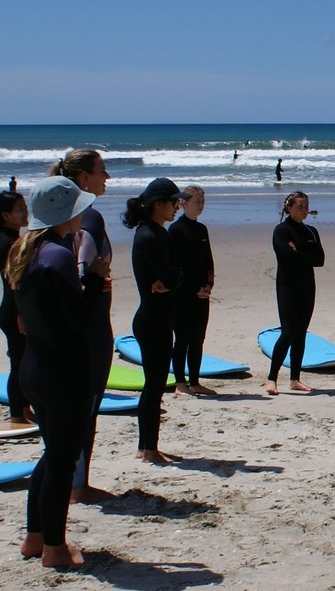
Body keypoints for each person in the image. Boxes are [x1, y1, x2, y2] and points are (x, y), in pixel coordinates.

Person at [7, 176, 98, 568]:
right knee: (62, 461)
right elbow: (79, 319)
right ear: (68, 213)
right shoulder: (58, 255)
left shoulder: (24, 250)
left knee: (53, 454)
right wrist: (95, 282)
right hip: (63, 372)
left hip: (35, 368)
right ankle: (55, 549)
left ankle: (35, 536)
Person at [50, 149, 116, 503]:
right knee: (85, 407)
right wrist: (95, 279)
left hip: (83, 322)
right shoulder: (87, 219)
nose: (107, 177)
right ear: (84, 178)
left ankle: (77, 483)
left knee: (81, 407)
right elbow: (81, 271)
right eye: (102, 170)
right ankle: (78, 486)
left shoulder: (67, 219)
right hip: (89, 325)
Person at [122, 178, 189, 464]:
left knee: (157, 383)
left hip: (161, 316)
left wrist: (173, 278)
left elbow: (177, 273)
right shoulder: (148, 236)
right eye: (174, 202)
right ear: (158, 204)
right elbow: (174, 276)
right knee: (154, 386)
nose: (177, 207)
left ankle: (148, 445)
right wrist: (173, 278)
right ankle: (147, 449)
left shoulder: (159, 233)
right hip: (152, 320)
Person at [267, 191, 325, 394]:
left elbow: (320, 260)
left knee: (301, 334)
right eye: (300, 206)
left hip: (307, 286)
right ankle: (272, 378)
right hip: (287, 287)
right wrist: (302, 255)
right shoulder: (281, 231)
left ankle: (295, 379)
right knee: (288, 332)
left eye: (306, 206)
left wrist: (298, 253)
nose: (304, 210)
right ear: (289, 208)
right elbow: (286, 257)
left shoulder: (311, 231)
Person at [168, 185, 216, 396]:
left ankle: (195, 381)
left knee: (198, 338)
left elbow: (208, 261)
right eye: (197, 201)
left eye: (203, 202)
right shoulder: (176, 230)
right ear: (184, 202)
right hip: (182, 294)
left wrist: (208, 285)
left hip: (202, 294)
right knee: (183, 338)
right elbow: (177, 266)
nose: (201, 205)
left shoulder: (201, 229)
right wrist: (192, 289)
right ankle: (180, 382)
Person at [0, 190, 32, 422]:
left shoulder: (13, 238)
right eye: (20, 209)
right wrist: (21, 314)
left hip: (16, 309)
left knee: (22, 361)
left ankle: (24, 408)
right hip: (13, 311)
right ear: (5, 215)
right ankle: (17, 414)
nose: (26, 213)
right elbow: (14, 283)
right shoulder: (8, 243)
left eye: (25, 207)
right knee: (18, 364)